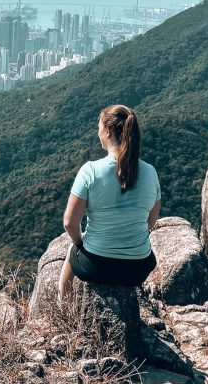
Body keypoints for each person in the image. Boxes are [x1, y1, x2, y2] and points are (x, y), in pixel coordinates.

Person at [58, 104, 161, 301]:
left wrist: (81, 244)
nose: (98, 133)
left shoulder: (90, 171)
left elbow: (69, 222)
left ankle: (64, 310)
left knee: (72, 252)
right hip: (138, 269)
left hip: (96, 267)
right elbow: (151, 220)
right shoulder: (150, 172)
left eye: (99, 128)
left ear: (108, 131)